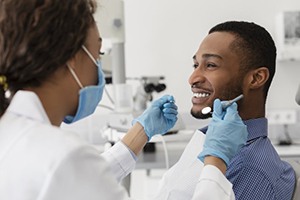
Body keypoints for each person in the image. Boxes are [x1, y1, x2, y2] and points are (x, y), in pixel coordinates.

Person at [0, 0, 248, 199]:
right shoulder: (64, 157)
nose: (194, 77)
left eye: (211, 64)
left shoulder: (13, 135)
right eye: (98, 53)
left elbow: (77, 182)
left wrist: (140, 132)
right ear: (72, 57)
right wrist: (216, 161)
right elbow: (74, 175)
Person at [152, 21, 296, 200]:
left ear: (256, 78)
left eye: (211, 65)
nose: (193, 78)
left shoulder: (250, 170)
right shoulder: (213, 144)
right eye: (195, 65)